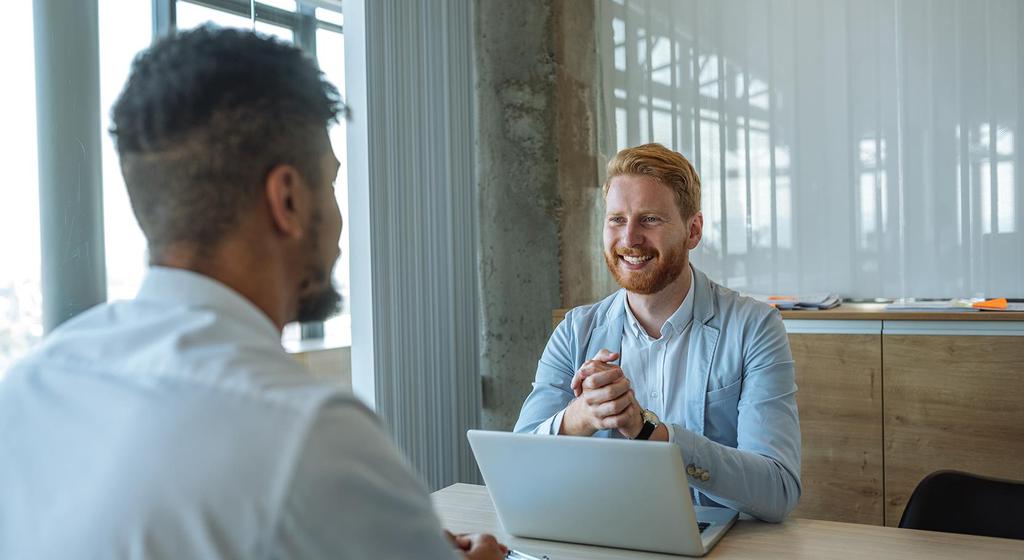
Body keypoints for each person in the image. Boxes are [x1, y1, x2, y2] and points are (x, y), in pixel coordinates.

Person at [0, 27, 505, 560]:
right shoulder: (308, 433)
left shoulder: (29, 388)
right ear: (286, 198)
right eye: (331, 184)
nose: (338, 221)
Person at [514, 143, 801, 523]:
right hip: (601, 538)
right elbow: (517, 470)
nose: (629, 239)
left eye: (649, 219)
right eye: (617, 219)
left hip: (715, 546)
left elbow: (777, 490)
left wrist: (651, 431)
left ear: (693, 230)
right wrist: (581, 416)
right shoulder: (575, 331)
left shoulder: (753, 327)